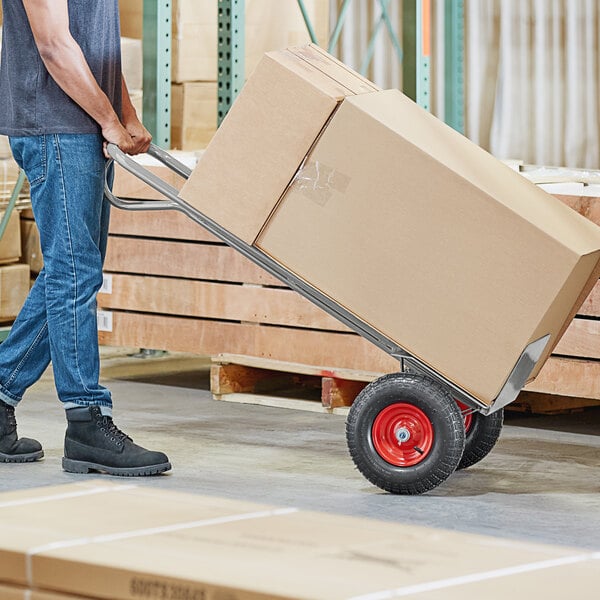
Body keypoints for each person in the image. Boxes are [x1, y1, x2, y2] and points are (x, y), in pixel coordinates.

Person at [0, 0, 171, 476]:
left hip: (84, 125)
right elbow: (54, 45)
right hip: (57, 126)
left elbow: (99, 46)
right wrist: (109, 121)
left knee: (73, 273)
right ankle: (86, 421)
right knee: (74, 273)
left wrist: (125, 113)